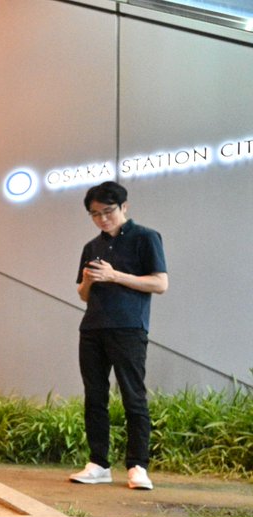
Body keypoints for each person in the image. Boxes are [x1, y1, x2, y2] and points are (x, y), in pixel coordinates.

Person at [70, 180, 167, 491]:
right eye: (95, 214)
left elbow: (160, 283)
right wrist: (88, 281)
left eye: (107, 211)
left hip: (129, 328)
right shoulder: (91, 247)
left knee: (133, 396)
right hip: (92, 328)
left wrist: (115, 275)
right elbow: (83, 295)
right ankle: (98, 463)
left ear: (124, 207)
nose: (102, 219)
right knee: (94, 397)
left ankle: (138, 466)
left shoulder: (146, 237)